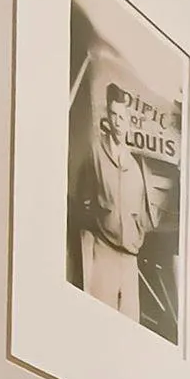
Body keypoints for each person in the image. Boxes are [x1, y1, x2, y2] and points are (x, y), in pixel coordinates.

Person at [71, 82, 164, 322]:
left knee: (129, 327)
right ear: (108, 117)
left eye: (123, 117)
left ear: (129, 121)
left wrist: (135, 237)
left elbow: (142, 216)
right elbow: (82, 197)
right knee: (99, 323)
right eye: (114, 115)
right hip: (105, 253)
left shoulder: (134, 167)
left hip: (129, 261)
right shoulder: (95, 153)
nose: (119, 122)